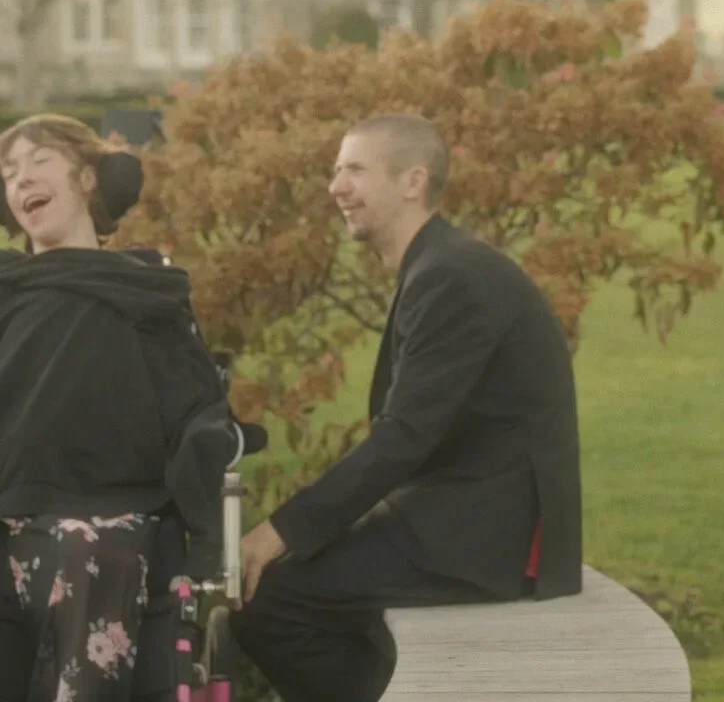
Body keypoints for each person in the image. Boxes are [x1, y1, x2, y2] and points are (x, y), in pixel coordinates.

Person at [231, 113, 583, 702]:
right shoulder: (439, 263)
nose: (335, 186)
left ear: (413, 182)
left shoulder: (452, 276)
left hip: (487, 535)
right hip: (458, 509)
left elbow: (404, 438)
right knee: (296, 598)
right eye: (336, 169)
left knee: (269, 603)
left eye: (355, 169)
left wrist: (277, 532)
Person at [0, 113, 241, 702]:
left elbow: (191, 395)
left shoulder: (147, 285)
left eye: (39, 161)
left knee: (92, 543)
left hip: (129, 510)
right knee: (79, 543)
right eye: (10, 172)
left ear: (85, 179)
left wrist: (213, 439)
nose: (23, 177)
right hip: (17, 514)